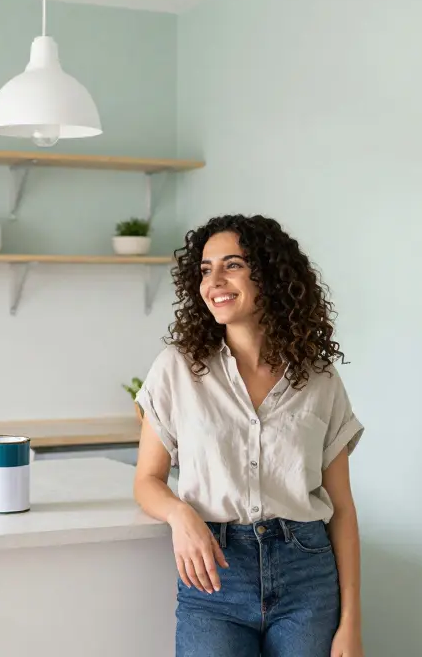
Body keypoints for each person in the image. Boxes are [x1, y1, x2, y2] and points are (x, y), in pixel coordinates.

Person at [132, 214, 364, 657]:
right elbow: (147, 480)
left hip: (307, 579)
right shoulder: (177, 368)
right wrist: (182, 517)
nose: (213, 280)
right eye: (204, 269)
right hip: (214, 580)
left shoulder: (319, 378)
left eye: (232, 265)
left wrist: (351, 622)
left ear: (271, 275)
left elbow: (343, 511)